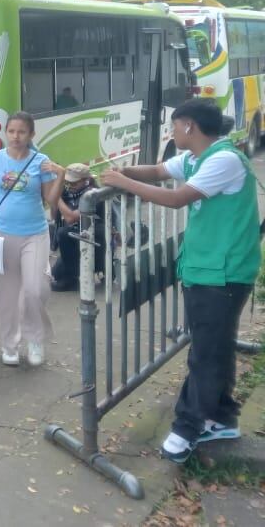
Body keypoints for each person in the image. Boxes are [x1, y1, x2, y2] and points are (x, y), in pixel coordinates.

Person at [102, 99, 260, 463]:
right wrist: (122, 170)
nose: (171, 133)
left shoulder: (223, 160)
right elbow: (158, 171)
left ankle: (187, 428)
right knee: (216, 346)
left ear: (189, 126)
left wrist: (123, 182)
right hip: (207, 269)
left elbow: (176, 199)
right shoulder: (194, 159)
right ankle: (222, 417)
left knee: (205, 353)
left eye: (174, 126)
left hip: (223, 272)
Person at [0, 111, 64, 367]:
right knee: (6, 293)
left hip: (35, 233)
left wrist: (60, 174)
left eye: (21, 132)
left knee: (35, 290)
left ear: (31, 135)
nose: (15, 137)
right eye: (11, 131)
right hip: (2, 234)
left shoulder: (41, 161)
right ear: (6, 132)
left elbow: (51, 201)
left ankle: (35, 339)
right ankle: (10, 345)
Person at [50, 163, 103, 292]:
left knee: (64, 233)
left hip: (95, 238)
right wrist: (56, 196)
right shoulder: (66, 193)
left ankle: (74, 276)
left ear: (86, 180)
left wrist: (56, 199)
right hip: (75, 237)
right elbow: (54, 216)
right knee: (56, 273)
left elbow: (71, 217)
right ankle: (72, 272)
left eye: (74, 183)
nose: (69, 186)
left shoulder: (93, 194)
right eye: (67, 182)